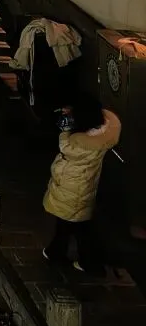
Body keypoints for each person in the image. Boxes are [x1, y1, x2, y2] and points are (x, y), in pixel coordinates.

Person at [42, 94, 121, 274]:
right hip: (85, 185)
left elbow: (66, 147)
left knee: (75, 226)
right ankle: (55, 252)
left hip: (72, 187)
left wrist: (65, 128)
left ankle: (88, 263)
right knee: (71, 224)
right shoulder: (104, 134)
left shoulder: (78, 143)